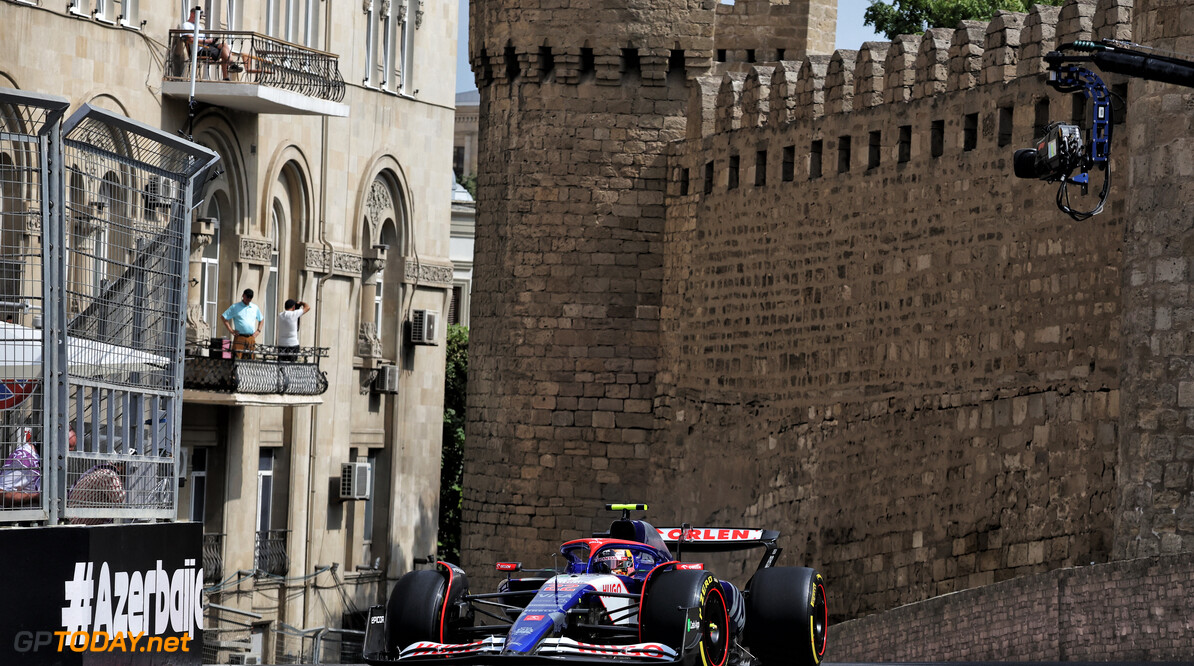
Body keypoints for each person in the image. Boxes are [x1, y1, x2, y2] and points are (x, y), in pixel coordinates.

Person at [180, 6, 240, 81]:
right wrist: (206, 41)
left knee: (224, 45)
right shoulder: (186, 25)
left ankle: (231, 64)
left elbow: (203, 39)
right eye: (199, 15)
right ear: (192, 14)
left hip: (206, 46)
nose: (200, 18)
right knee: (223, 52)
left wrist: (210, 41)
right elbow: (190, 39)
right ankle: (228, 71)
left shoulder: (198, 26)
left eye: (201, 16)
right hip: (199, 50)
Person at [222, 288, 264, 359]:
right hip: (239, 337)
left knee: (250, 359)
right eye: (247, 297)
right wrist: (231, 330)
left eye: (251, 297)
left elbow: (261, 319)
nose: (249, 299)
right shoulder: (235, 307)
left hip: (251, 337)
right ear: (243, 296)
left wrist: (258, 331)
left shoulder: (254, 307)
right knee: (237, 359)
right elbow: (224, 317)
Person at [277, 298, 311, 362]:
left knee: (282, 364)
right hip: (293, 344)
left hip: (281, 344)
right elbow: (307, 307)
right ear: (293, 307)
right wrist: (301, 303)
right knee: (292, 364)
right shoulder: (294, 314)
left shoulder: (280, 315)